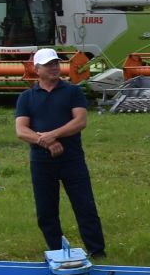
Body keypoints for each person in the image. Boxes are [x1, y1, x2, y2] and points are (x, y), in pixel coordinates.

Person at [14, 47, 107, 256]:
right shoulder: (27, 97)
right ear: (37, 69)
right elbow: (21, 130)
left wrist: (53, 134)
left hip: (71, 159)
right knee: (46, 211)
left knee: (85, 207)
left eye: (56, 63)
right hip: (42, 161)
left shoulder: (72, 91)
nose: (54, 68)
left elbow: (80, 121)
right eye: (48, 65)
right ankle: (56, 251)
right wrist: (44, 141)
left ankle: (97, 252)